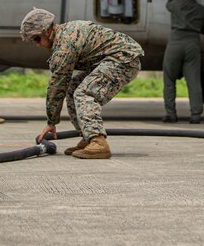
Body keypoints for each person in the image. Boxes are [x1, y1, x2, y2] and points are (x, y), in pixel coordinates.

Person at [22, 8, 144, 159]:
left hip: (123, 60)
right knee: (73, 89)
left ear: (47, 31)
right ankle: (88, 137)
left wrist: (51, 122)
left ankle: (98, 142)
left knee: (84, 93)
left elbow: (57, 85)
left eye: (36, 39)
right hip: (113, 59)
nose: (37, 44)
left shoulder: (64, 46)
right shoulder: (65, 33)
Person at [162, 0, 204, 124]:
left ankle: (171, 114)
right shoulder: (202, 10)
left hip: (175, 44)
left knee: (169, 79)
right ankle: (195, 115)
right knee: (194, 81)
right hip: (192, 45)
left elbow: (168, 4)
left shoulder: (175, 4)